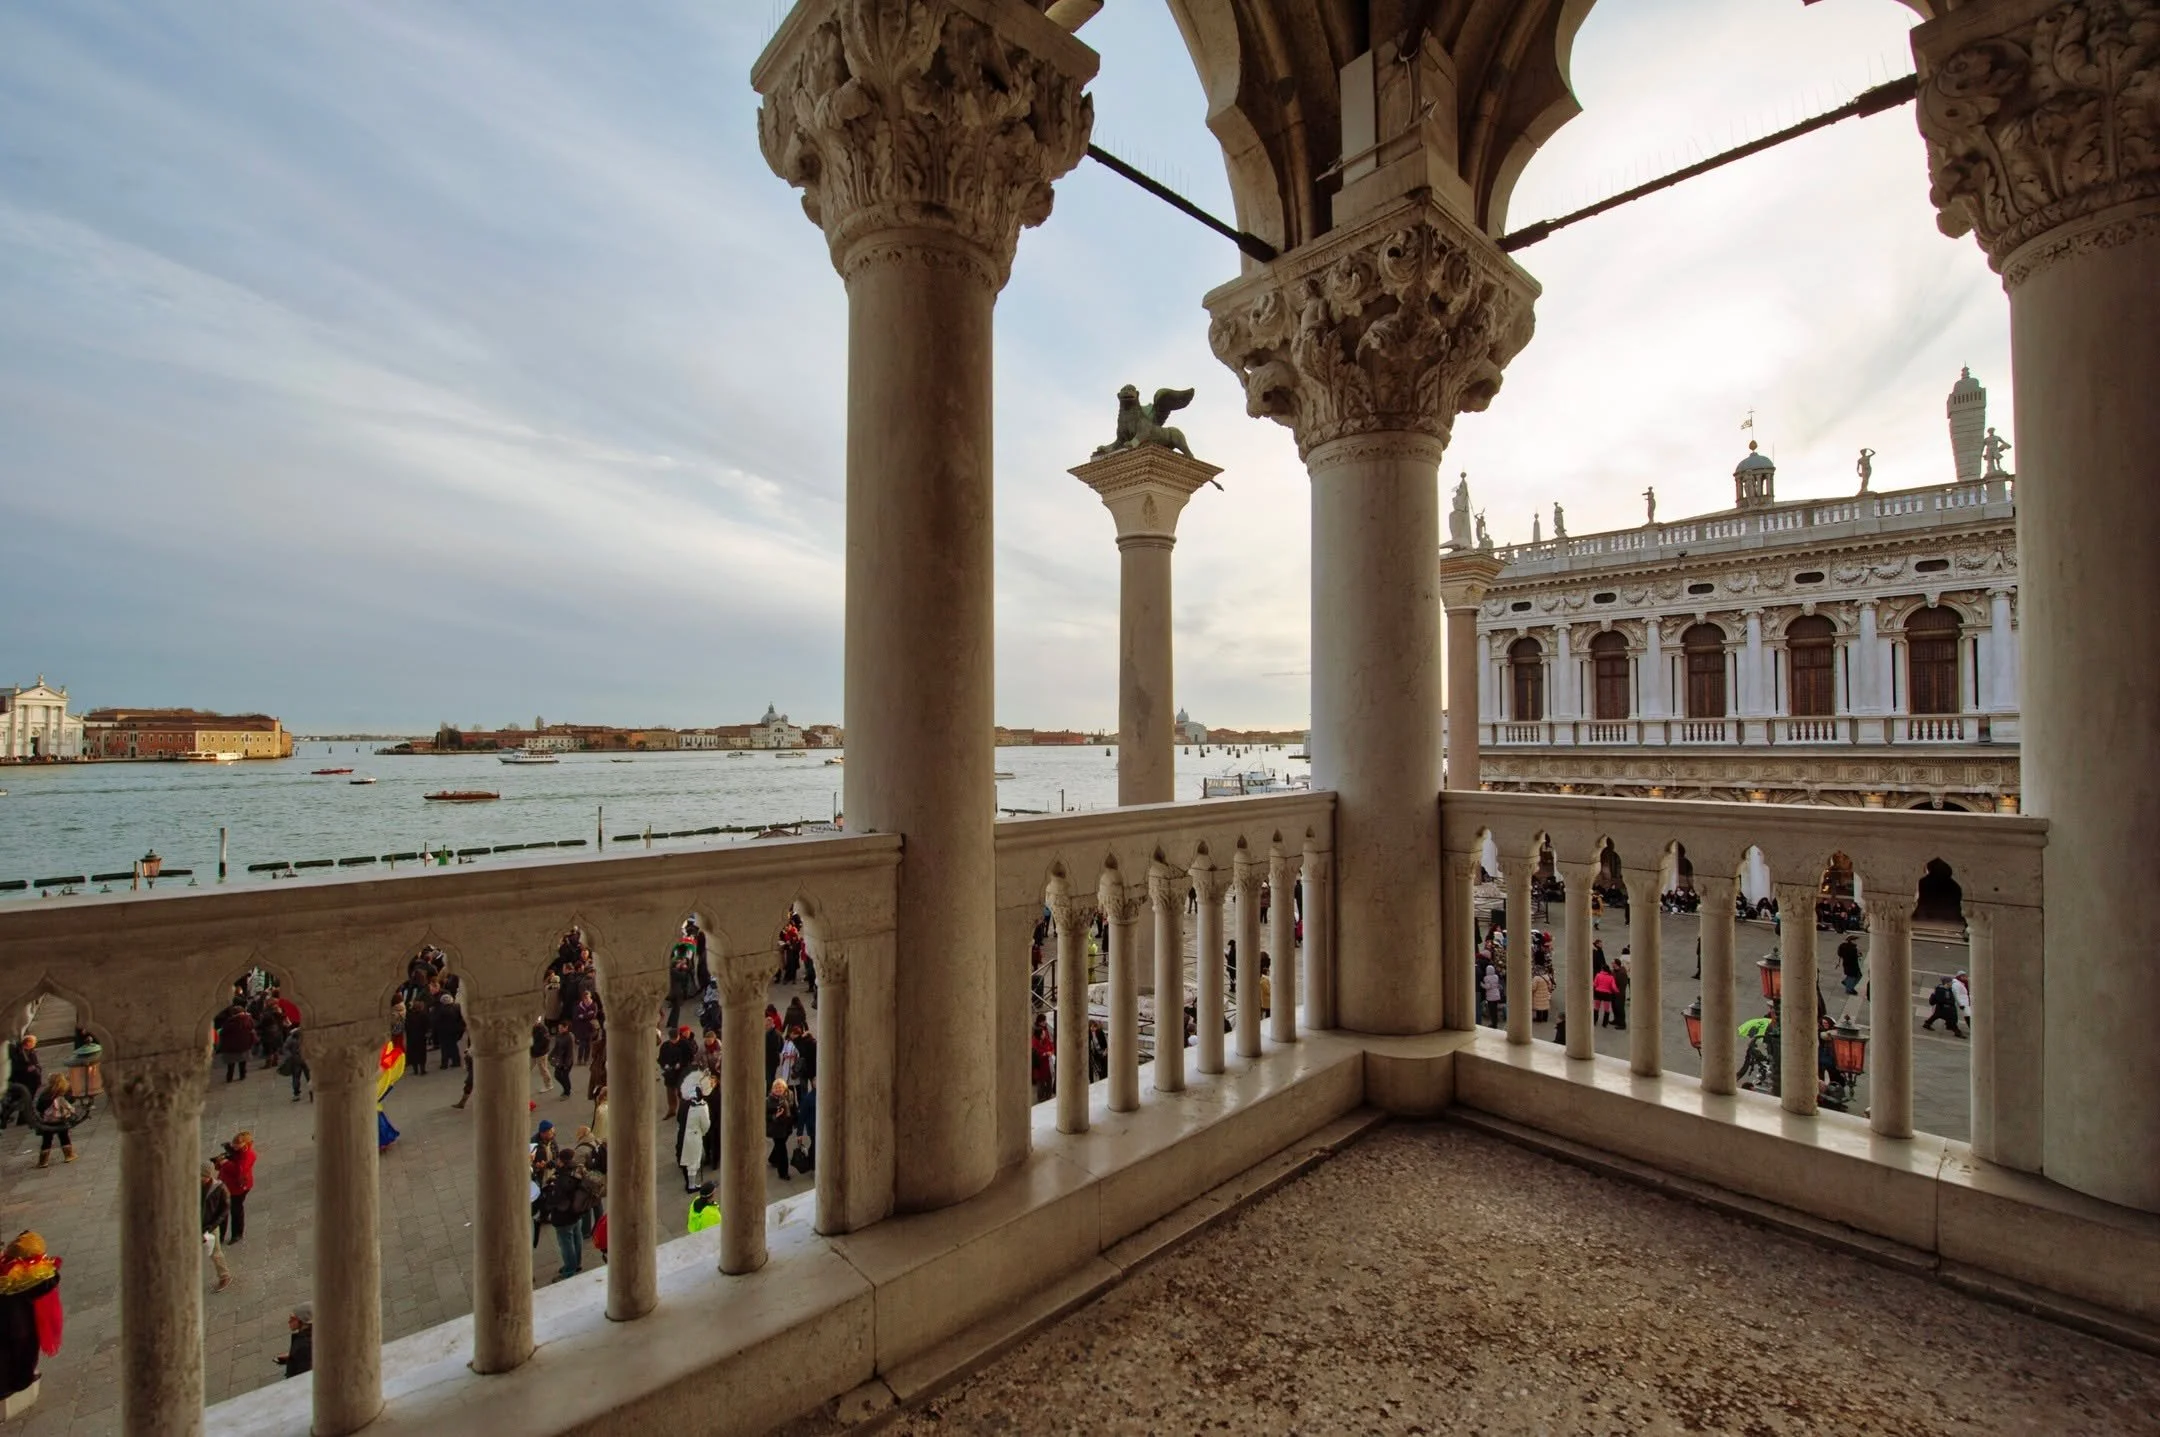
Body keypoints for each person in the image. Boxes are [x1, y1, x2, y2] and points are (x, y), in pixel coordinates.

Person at [0, 1232, 62, 1404]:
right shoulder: (28, 1276)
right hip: (20, 1327)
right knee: (20, 1354)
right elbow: (49, 1281)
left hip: (9, 1324)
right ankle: (16, 1383)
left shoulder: (6, 1269)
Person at [216, 1133, 257, 1245]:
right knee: (222, 1210)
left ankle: (237, 1234)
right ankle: (220, 1236)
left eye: (237, 1144)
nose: (234, 1146)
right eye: (234, 1144)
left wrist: (225, 1163)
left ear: (246, 1144)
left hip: (238, 1187)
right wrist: (221, 1161)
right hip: (225, 1184)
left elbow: (239, 1171)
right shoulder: (236, 1152)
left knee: (236, 1209)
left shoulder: (249, 1155)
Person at [31, 1074, 76, 1167]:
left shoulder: (45, 1094)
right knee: (64, 1137)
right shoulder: (64, 1093)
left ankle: (43, 1161)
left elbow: (39, 1107)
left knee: (47, 1139)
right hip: (61, 1120)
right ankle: (68, 1155)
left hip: (48, 1121)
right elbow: (72, 1100)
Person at [200, 1162, 232, 1293]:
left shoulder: (220, 1188)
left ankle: (225, 1276)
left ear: (207, 1176)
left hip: (209, 1226)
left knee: (215, 1253)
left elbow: (224, 1211)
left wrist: (210, 1227)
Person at [679, 1075, 712, 1192]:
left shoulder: (685, 1104)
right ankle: (691, 1185)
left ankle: (690, 1183)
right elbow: (706, 1124)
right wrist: (703, 1133)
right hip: (695, 1135)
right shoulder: (702, 1107)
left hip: (686, 1135)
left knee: (689, 1160)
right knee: (694, 1161)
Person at [766, 1079, 797, 1181]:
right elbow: (764, 1115)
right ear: (772, 1089)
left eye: (781, 1087)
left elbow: (794, 1109)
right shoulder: (768, 1101)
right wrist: (775, 1116)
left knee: (780, 1146)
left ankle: (772, 1159)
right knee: (782, 1151)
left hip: (787, 1127)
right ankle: (783, 1173)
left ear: (785, 1088)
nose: (779, 1089)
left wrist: (796, 1121)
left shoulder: (789, 1096)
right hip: (776, 1129)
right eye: (776, 1088)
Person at [217, 1003, 257, 1083]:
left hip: (232, 1045)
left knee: (231, 1063)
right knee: (243, 1061)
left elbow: (223, 1031)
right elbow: (252, 1028)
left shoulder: (231, 1022)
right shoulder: (249, 1019)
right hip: (245, 1043)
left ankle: (229, 1077)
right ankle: (242, 1075)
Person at [272, 1302, 313, 1378]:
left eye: (292, 1319)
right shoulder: (310, 1336)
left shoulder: (303, 1345)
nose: (289, 1321)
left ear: (302, 1321)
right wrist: (291, 1356)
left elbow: (302, 1375)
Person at [277, 1027, 310, 1102]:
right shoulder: (304, 1037)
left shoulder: (290, 1038)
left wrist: (289, 1056)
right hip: (302, 1060)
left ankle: (297, 1093)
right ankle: (308, 1091)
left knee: (297, 1077)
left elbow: (285, 1048)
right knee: (306, 1076)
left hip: (297, 1060)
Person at [1951, 970, 1972, 1038]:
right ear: (1960, 977)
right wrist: (1960, 1004)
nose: (1966, 977)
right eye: (1964, 976)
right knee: (1968, 1016)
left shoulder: (1963, 982)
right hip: (1963, 1002)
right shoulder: (1956, 984)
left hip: (1966, 1001)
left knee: (1968, 1015)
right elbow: (1956, 994)